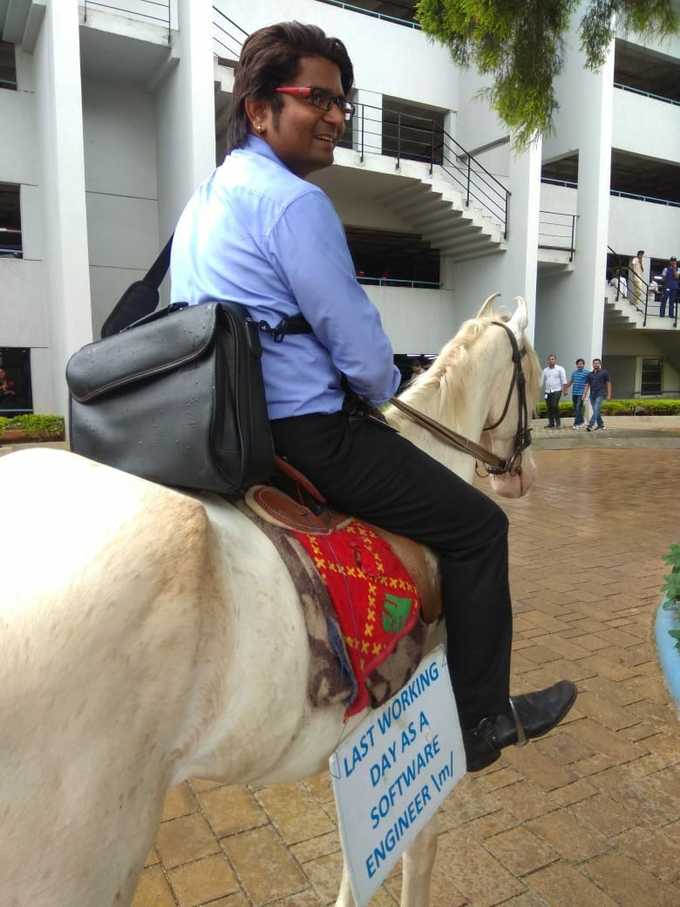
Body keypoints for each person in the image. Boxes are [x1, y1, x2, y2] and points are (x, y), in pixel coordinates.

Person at [169, 21, 575, 772]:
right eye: (315, 98)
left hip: (217, 427)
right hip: (308, 432)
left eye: (342, 103)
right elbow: (360, 353)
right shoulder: (295, 205)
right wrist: (386, 384)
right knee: (479, 526)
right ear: (258, 110)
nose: (335, 116)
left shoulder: (204, 201)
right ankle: (483, 717)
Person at [584, 358, 612, 431]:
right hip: (592, 395)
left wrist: (609, 395)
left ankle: (591, 425)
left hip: (600, 394)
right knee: (596, 411)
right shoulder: (589, 374)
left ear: (600, 364)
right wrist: (584, 395)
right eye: (594, 363)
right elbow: (587, 385)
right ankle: (601, 425)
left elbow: (608, 383)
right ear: (592, 364)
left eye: (597, 363)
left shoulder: (604, 372)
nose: (596, 364)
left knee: (596, 409)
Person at [541, 354, 567, 429]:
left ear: (555, 360)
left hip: (557, 390)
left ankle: (558, 423)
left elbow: (564, 380)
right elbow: (541, 381)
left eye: (552, 359)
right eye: (549, 359)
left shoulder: (560, 369)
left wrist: (565, 390)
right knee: (549, 407)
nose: (551, 360)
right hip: (547, 391)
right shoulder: (545, 370)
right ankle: (551, 423)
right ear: (547, 361)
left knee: (554, 405)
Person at [565, 358, 590, 429]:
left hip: (581, 394)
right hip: (574, 393)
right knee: (576, 409)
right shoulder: (574, 373)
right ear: (576, 365)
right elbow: (571, 381)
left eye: (581, 364)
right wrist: (565, 388)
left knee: (578, 408)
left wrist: (584, 394)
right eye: (578, 364)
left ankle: (576, 424)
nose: (580, 365)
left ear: (584, 365)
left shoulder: (587, 373)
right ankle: (582, 422)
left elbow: (587, 384)